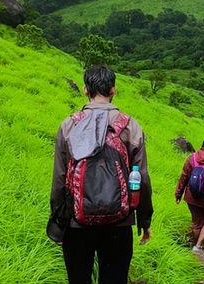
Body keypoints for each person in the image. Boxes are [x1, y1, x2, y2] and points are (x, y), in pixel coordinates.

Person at [50, 66, 153, 284]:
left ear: (85, 90)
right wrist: (144, 220)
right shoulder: (130, 126)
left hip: (77, 223)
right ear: (113, 89)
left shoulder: (69, 125)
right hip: (120, 222)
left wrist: (59, 224)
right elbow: (141, 179)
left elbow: (60, 179)